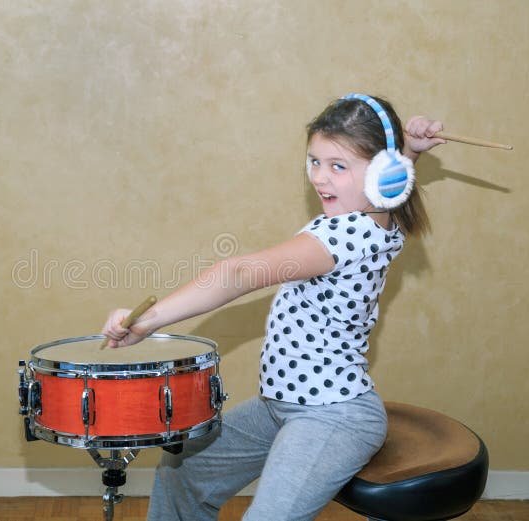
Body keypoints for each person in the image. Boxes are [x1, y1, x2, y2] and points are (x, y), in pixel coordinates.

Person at [101, 94, 446, 521]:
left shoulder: (347, 234)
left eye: (338, 166)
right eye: (314, 161)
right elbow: (385, 186)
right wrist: (409, 150)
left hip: (332, 416)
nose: (321, 178)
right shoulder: (374, 216)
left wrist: (148, 321)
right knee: (184, 469)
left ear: (383, 174)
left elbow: (238, 274)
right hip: (280, 404)